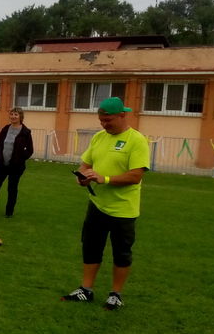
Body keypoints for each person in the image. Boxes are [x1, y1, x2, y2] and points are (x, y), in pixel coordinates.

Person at [62, 96, 150, 310]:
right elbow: (85, 165)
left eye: (108, 120)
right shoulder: (99, 137)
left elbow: (136, 175)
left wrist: (105, 179)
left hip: (123, 209)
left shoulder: (137, 140)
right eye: (101, 121)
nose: (104, 124)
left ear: (122, 115)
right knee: (91, 247)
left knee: (121, 253)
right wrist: (82, 177)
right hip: (97, 205)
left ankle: (115, 294)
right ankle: (86, 289)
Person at [0, 107, 34, 218]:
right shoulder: (5, 129)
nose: (13, 116)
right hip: (1, 165)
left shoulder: (25, 132)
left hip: (16, 167)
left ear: (20, 117)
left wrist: (20, 159)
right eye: (12, 114)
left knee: (12, 189)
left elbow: (30, 150)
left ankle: (9, 212)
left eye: (16, 114)